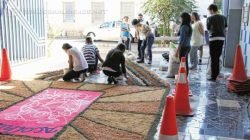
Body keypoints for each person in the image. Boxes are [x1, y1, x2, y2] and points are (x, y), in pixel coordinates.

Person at [207, 4, 227, 81]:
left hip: (213, 39)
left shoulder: (210, 18)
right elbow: (226, 28)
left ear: (212, 10)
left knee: (213, 57)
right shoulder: (224, 17)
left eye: (209, 10)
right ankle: (217, 75)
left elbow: (208, 29)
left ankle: (213, 76)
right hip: (221, 38)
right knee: (218, 57)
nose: (209, 12)